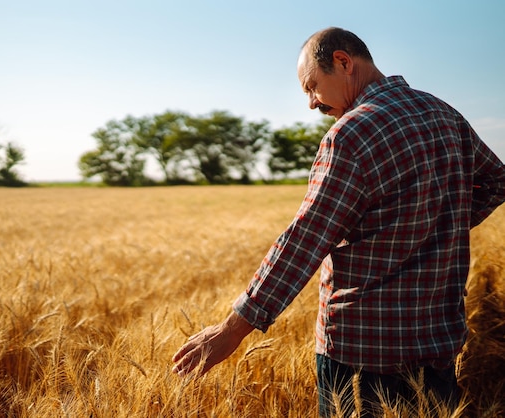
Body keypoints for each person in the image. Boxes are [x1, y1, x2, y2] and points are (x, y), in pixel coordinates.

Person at [171, 27, 505, 417]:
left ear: (344, 62)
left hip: (362, 355)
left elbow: (303, 241)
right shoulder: (443, 113)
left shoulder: (349, 135)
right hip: (437, 344)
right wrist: (432, 225)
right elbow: (497, 180)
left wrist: (229, 332)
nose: (311, 103)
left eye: (312, 86)